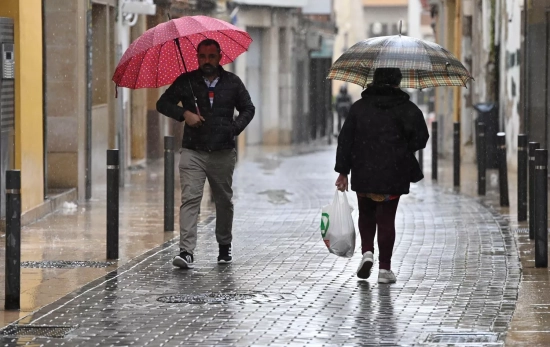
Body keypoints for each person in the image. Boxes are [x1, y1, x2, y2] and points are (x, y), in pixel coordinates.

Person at [156, 39, 255, 269]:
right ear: (197, 57)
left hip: (222, 152)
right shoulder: (186, 81)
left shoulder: (232, 82)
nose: (206, 61)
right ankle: (186, 251)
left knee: (223, 201)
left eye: (211, 56)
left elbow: (248, 108)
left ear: (219, 56)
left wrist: (234, 128)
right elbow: (163, 103)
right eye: (202, 57)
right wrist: (184, 113)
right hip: (193, 150)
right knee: (190, 199)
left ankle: (224, 246)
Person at [334, 68, 428, 283]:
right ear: (397, 82)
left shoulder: (359, 108)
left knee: (366, 214)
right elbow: (421, 138)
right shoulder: (408, 109)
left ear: (373, 81)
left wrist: (343, 171)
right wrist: (403, 147)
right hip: (393, 172)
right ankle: (385, 269)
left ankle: (367, 252)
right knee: (386, 219)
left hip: (363, 170)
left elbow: (345, 140)